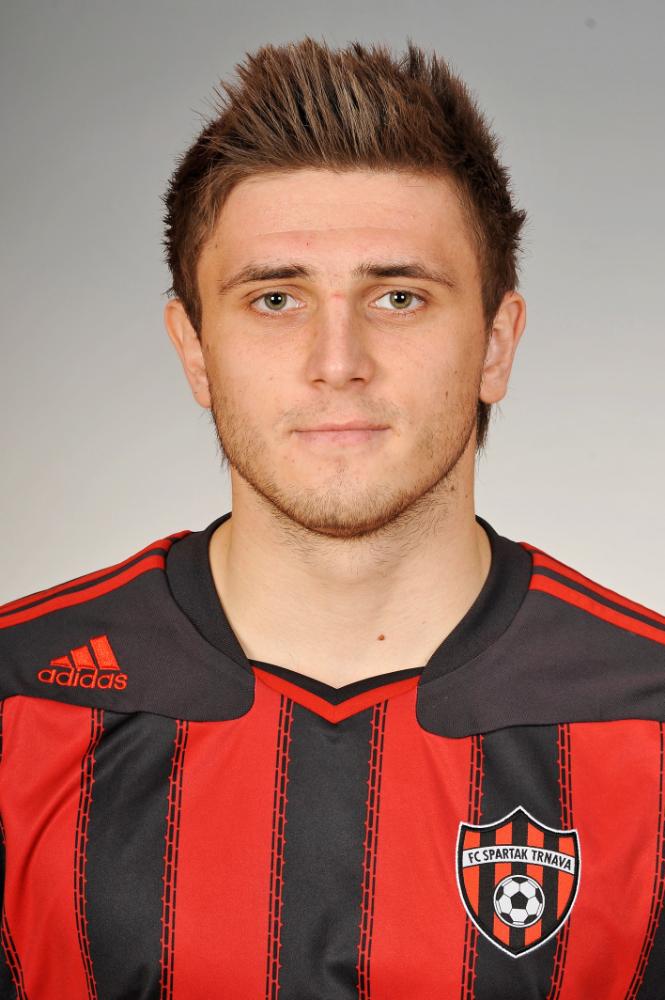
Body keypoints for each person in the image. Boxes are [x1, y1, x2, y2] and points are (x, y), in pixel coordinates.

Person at [0, 36, 663, 1000]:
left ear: (494, 344)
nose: (337, 361)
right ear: (194, 349)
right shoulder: (20, 706)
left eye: (398, 297)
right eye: (275, 299)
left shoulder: (645, 720)